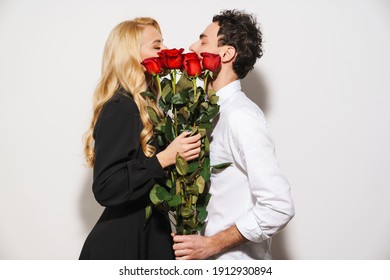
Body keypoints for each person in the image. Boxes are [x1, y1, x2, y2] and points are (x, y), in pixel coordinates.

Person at [172, 10, 295, 260]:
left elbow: (278, 207)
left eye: (203, 40)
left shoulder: (241, 117)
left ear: (226, 54)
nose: (193, 46)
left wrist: (212, 245)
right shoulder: (208, 113)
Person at [79, 18, 201, 260]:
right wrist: (164, 159)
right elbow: (106, 188)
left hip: (147, 236)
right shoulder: (121, 107)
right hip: (124, 245)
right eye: (156, 46)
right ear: (132, 55)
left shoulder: (147, 108)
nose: (165, 50)